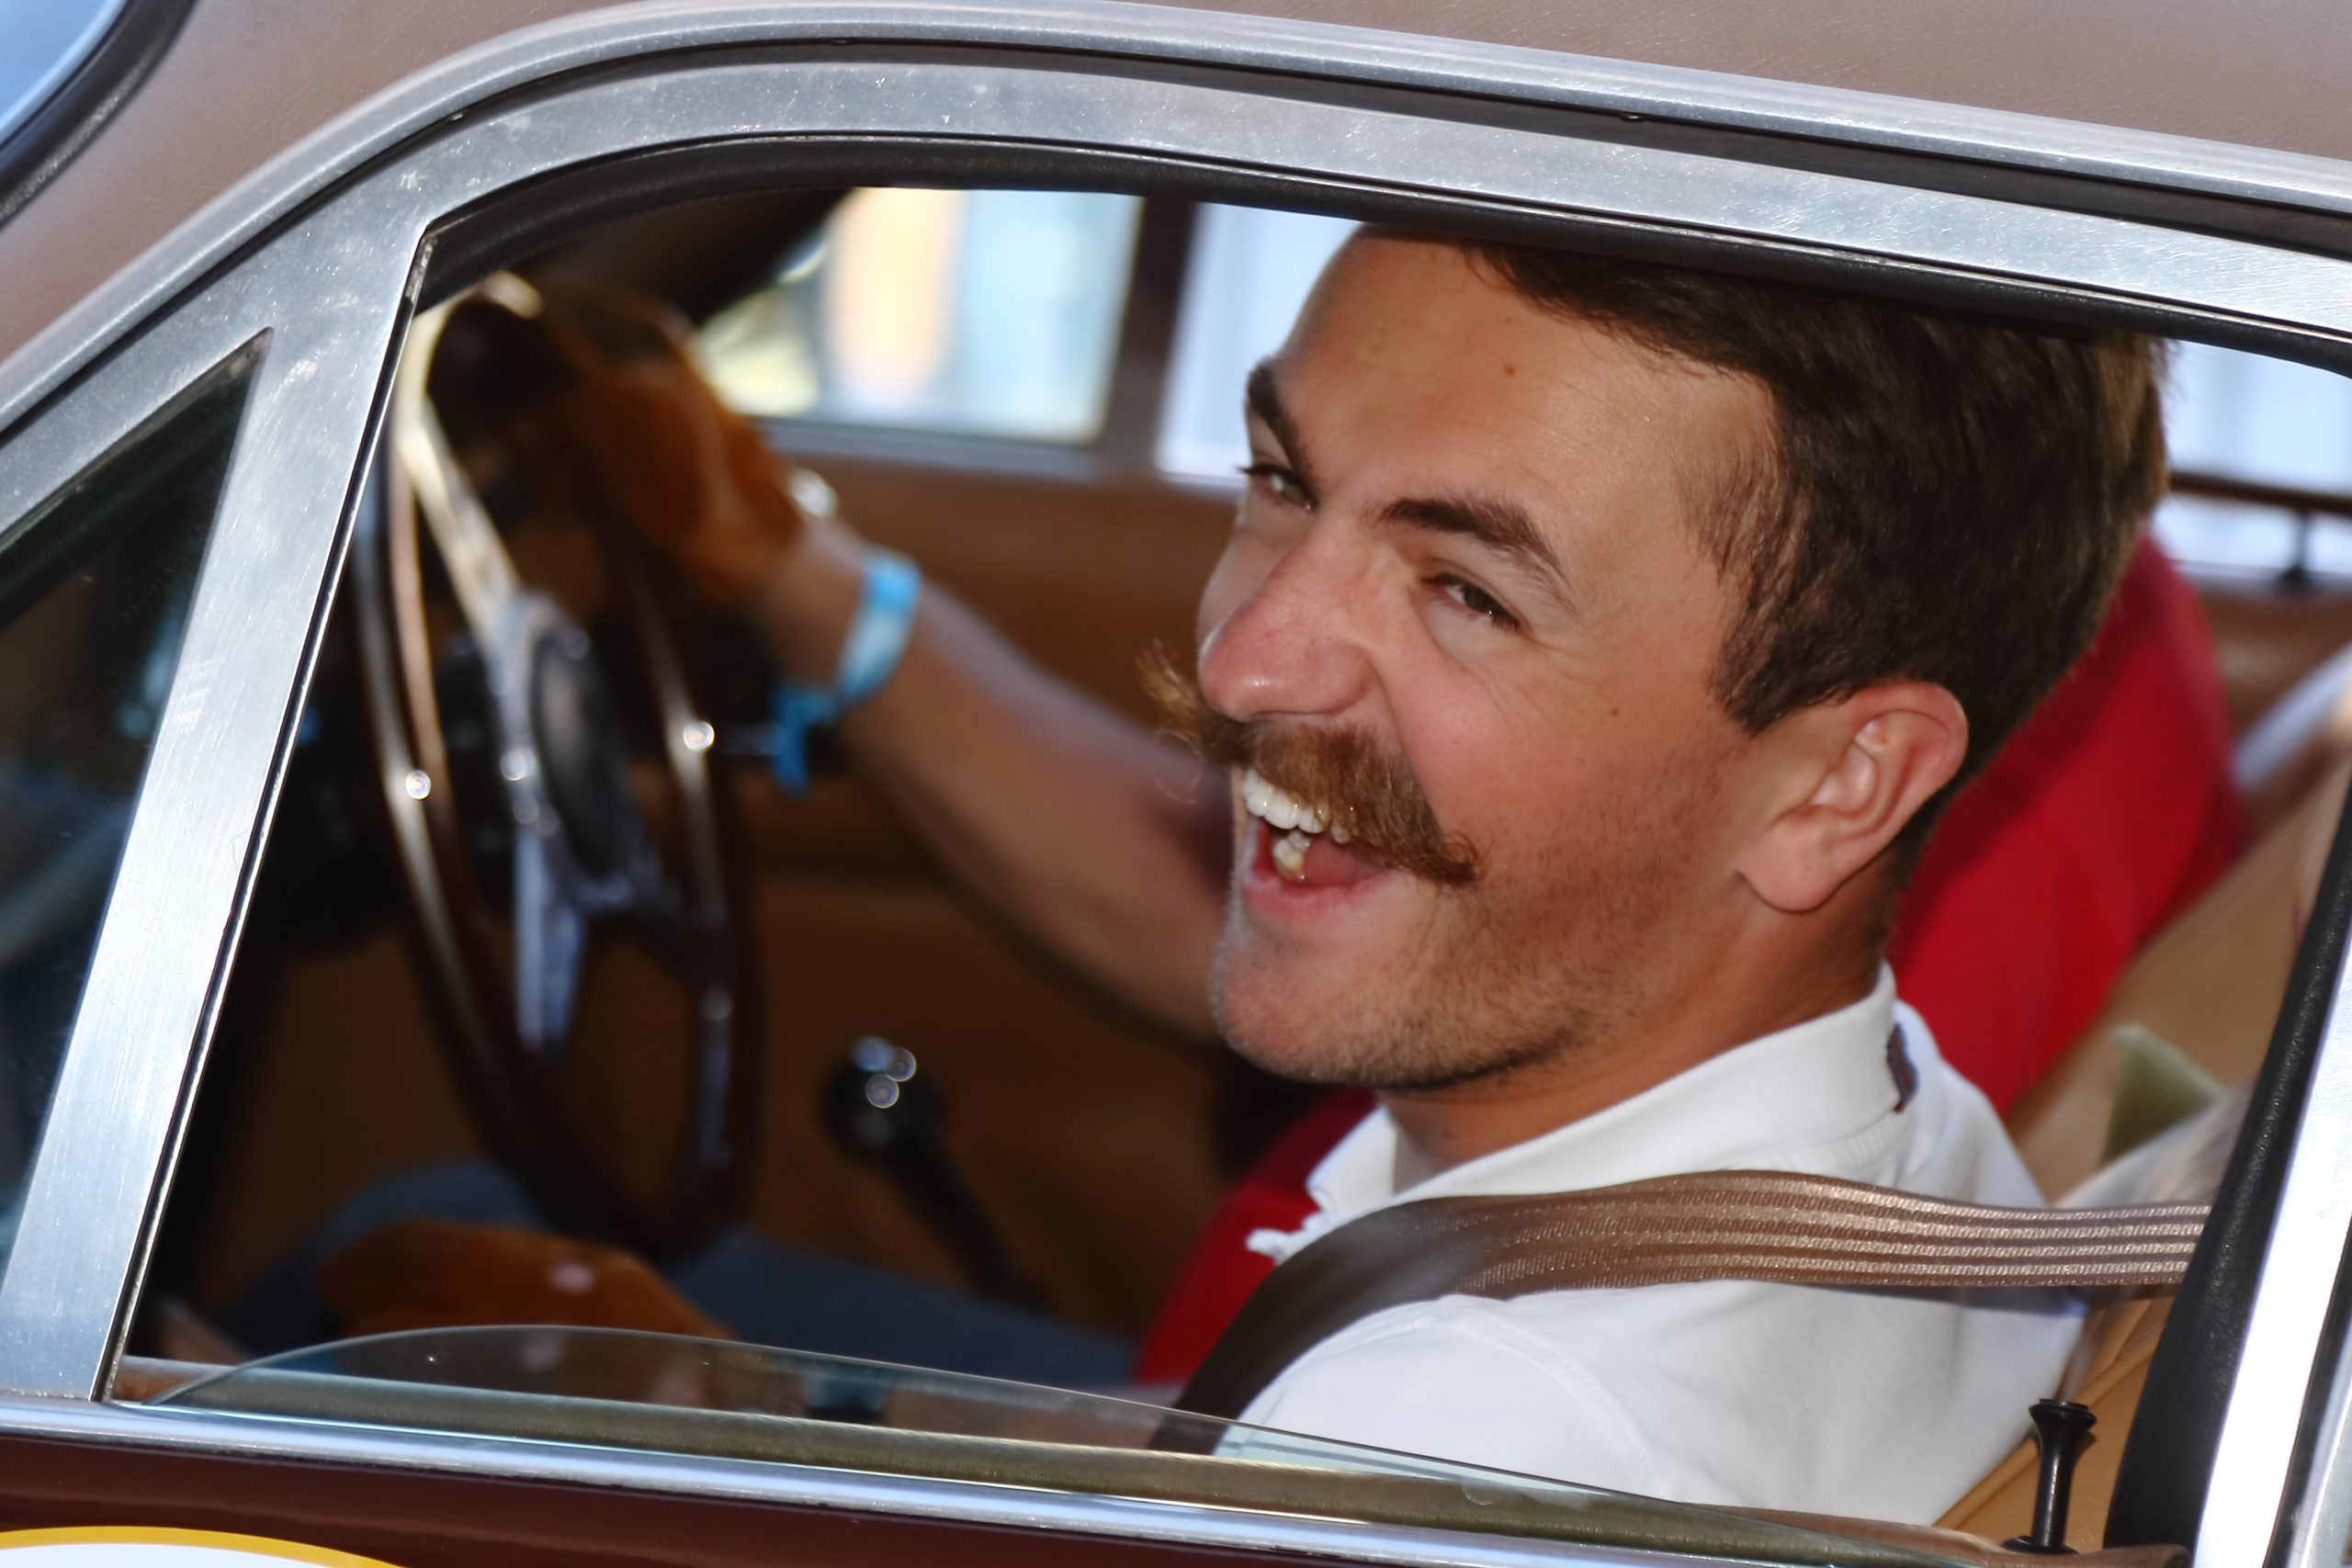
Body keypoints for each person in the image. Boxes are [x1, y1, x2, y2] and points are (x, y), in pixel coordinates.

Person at [514, 231, 2166, 1523]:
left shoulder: (1459, 1448)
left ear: (1835, 784)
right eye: (1283, 483)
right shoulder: (1893, 1136)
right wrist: (761, 1414)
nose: (1243, 662)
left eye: (1468, 593)